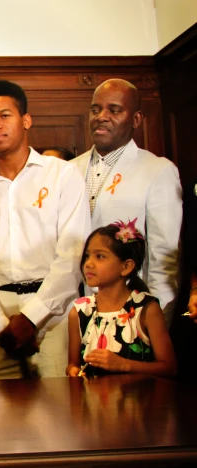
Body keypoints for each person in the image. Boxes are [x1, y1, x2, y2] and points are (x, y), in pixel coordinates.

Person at [0, 80, 91, 379]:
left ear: (26, 120)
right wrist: (1, 324)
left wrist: (31, 319)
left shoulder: (62, 175)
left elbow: (72, 258)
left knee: (58, 414)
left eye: (5, 116)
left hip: (54, 313)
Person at [71, 79, 181, 322]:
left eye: (114, 110)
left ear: (136, 119)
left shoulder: (157, 170)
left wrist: (154, 323)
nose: (101, 116)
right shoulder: (67, 170)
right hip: (73, 311)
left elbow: (164, 259)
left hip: (129, 313)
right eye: (95, 109)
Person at [66, 220, 177, 378]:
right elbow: (73, 364)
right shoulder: (80, 312)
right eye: (87, 256)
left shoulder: (145, 309)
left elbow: (169, 368)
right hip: (92, 401)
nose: (88, 263)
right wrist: (72, 370)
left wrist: (123, 365)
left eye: (100, 256)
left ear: (126, 267)